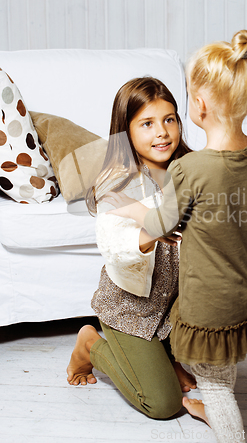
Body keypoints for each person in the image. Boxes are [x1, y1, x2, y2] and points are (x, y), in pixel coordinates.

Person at [105, 30, 247, 441]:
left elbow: (160, 226)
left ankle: (222, 420)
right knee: (221, 370)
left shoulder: (189, 170)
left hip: (204, 305)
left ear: (199, 106)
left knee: (219, 391)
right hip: (241, 296)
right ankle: (187, 383)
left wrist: (126, 206)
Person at [66, 77, 196, 420]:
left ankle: (167, 356)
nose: (162, 133)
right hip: (131, 307)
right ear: (126, 130)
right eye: (148, 124)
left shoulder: (189, 169)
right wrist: (150, 231)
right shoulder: (117, 181)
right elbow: (115, 244)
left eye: (169, 119)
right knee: (164, 404)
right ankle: (90, 344)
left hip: (173, 304)